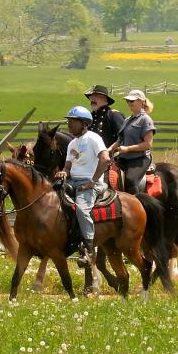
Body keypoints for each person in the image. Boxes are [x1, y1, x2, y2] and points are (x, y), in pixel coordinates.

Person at [53, 106, 109, 268]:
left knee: (81, 209)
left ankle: (89, 249)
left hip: (91, 183)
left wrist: (93, 181)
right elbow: (68, 167)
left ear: (84, 123)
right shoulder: (72, 144)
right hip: (72, 182)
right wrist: (63, 173)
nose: (69, 124)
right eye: (68, 121)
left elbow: (105, 160)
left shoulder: (93, 138)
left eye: (72, 121)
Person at [109, 89, 156, 194]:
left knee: (130, 180)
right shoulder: (127, 120)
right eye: (127, 101)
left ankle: (136, 205)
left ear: (142, 102)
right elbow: (120, 140)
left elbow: (148, 144)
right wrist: (108, 150)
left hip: (139, 159)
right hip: (123, 158)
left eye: (132, 101)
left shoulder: (146, 120)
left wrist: (127, 149)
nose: (129, 103)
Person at [85, 85, 125, 187]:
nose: (92, 99)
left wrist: (110, 150)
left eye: (96, 96)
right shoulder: (90, 117)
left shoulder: (113, 115)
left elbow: (124, 137)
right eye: (91, 97)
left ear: (104, 99)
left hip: (112, 157)